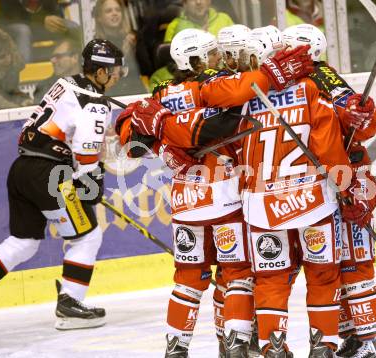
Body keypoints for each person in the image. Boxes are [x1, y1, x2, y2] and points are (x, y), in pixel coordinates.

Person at [116, 26, 312, 357]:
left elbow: (132, 142)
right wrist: (267, 75)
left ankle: (176, 349)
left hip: (185, 201)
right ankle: (235, 344)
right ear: (193, 59)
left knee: (187, 279)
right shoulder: (212, 84)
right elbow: (234, 106)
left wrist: (161, 139)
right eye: (211, 54)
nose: (218, 58)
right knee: (237, 271)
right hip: (223, 196)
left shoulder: (160, 94)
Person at [0, 39, 125, 330]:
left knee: (23, 244)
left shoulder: (66, 83)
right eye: (115, 70)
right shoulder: (94, 103)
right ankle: (70, 303)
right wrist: (91, 182)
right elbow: (87, 151)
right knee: (87, 237)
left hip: (23, 168)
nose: (118, 76)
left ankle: (69, 301)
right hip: (50, 175)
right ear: (100, 72)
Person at [283, 24, 376, 358]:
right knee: (332, 264)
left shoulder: (324, 78)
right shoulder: (288, 84)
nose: (282, 54)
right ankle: (349, 335)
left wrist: (358, 115)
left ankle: (367, 339)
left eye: (289, 48)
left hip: (348, 177)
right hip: (322, 185)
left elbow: (365, 125)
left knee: (354, 261)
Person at [0, 0, 80, 62]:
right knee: (23, 31)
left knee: (71, 27)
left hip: (39, 26)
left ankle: (80, 69)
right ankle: (25, 77)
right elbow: (12, 14)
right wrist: (42, 19)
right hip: (11, 25)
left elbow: (54, 10)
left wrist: (54, 20)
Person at [93, 0, 145, 95]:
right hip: (113, 98)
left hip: (138, 95)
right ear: (99, 17)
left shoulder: (134, 36)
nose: (115, 13)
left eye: (118, 10)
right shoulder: (96, 46)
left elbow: (147, 69)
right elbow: (103, 82)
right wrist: (124, 55)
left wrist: (136, 50)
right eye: (109, 11)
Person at [0, 25, 32, 109]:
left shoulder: (11, 70)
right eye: (2, 57)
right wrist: (19, 108)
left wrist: (24, 100)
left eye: (9, 54)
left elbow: (12, 92)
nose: (9, 59)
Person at [34, 37, 81, 102]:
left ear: (74, 58)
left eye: (58, 56)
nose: (52, 60)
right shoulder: (43, 87)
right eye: (52, 57)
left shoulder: (92, 82)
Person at [164, 0, 234, 42]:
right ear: (184, 3)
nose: (198, 2)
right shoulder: (174, 26)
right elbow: (171, 61)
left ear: (209, 1)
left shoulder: (224, 19)